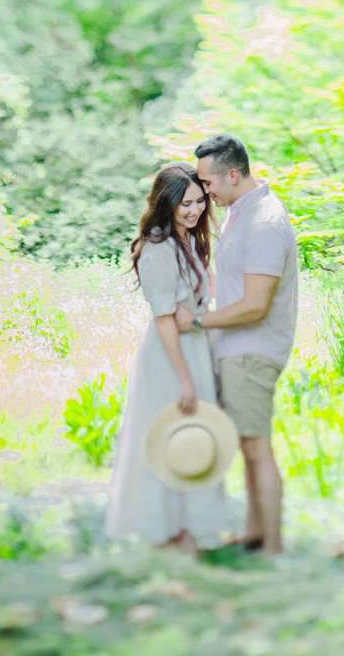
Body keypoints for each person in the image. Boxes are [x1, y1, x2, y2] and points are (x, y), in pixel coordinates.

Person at [176, 133, 299, 555]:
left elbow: (255, 306)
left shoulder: (264, 221)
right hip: (235, 349)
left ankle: (274, 546)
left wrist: (193, 320)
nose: (204, 191)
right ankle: (253, 529)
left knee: (256, 447)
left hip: (253, 349)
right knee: (246, 445)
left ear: (233, 174)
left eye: (208, 183)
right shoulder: (240, 212)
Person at [105, 162, 227, 552]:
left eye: (199, 202)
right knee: (169, 436)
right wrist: (186, 378)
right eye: (185, 204)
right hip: (170, 355)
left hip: (194, 346)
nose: (194, 211)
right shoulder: (157, 250)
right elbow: (165, 321)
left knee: (196, 438)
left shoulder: (187, 241)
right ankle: (164, 529)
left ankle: (189, 526)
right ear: (167, 204)